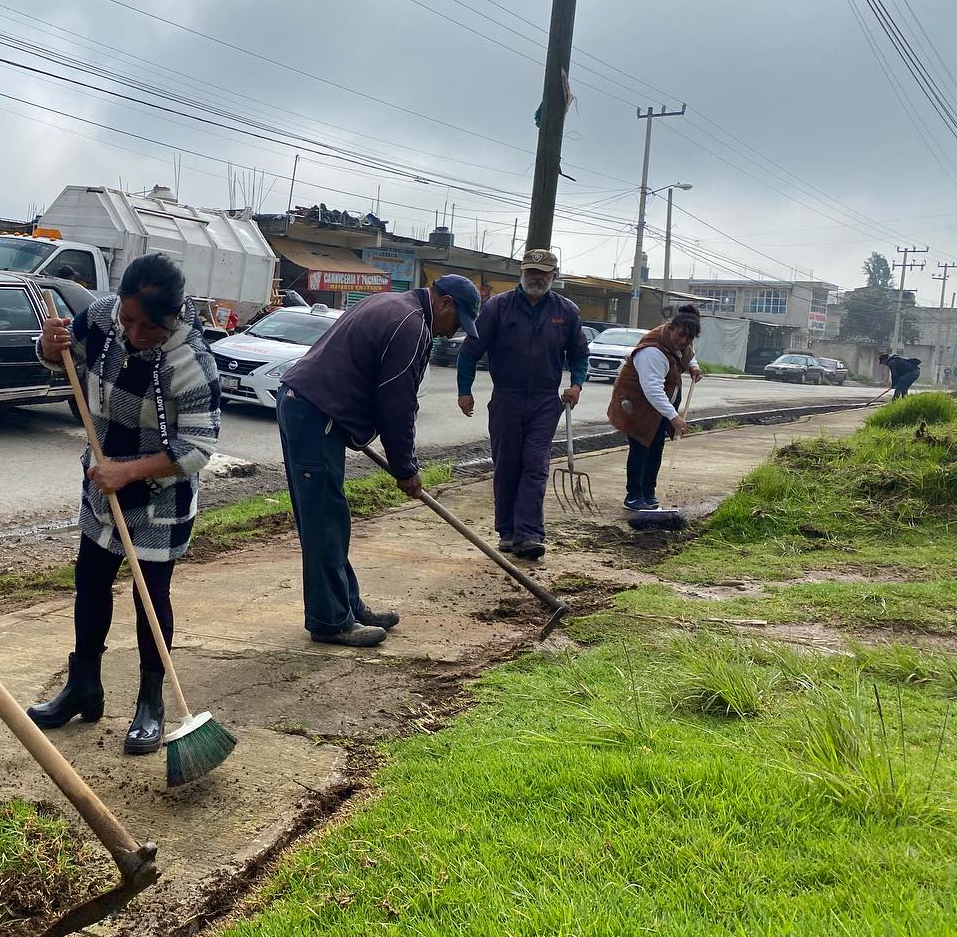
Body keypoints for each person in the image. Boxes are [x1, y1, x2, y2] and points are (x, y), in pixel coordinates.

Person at [27, 254, 221, 754]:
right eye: (129, 320)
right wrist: (50, 347)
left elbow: (198, 448)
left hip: (160, 498)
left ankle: (150, 703)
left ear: (172, 317)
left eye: (148, 327)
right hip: (103, 480)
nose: (134, 333)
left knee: (149, 596)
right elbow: (65, 358)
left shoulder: (191, 362)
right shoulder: (102, 316)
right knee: (90, 581)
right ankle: (83, 687)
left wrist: (129, 471)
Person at [277, 275, 479, 647]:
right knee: (324, 521)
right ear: (445, 303)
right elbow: (398, 405)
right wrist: (406, 468)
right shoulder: (413, 327)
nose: (451, 334)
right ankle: (330, 620)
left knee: (330, 518)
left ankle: (347, 605)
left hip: (307, 406)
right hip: (314, 412)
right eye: (456, 323)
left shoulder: (394, 304)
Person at [455, 248, 590, 561]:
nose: (536, 278)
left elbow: (579, 355)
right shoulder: (497, 307)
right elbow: (470, 351)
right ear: (522, 274)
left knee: (536, 463)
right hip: (506, 397)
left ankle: (529, 534)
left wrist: (576, 384)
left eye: (543, 274)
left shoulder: (566, 311)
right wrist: (465, 390)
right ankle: (508, 531)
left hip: (545, 400)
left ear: (554, 276)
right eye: (531, 272)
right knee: (507, 464)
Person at [607, 305, 703, 511]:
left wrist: (693, 366)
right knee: (641, 448)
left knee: (655, 449)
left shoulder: (675, 342)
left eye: (689, 338)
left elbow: (687, 352)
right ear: (670, 328)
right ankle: (634, 496)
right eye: (681, 335)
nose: (684, 341)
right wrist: (674, 417)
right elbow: (652, 390)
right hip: (638, 405)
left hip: (658, 408)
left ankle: (648, 494)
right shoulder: (653, 351)